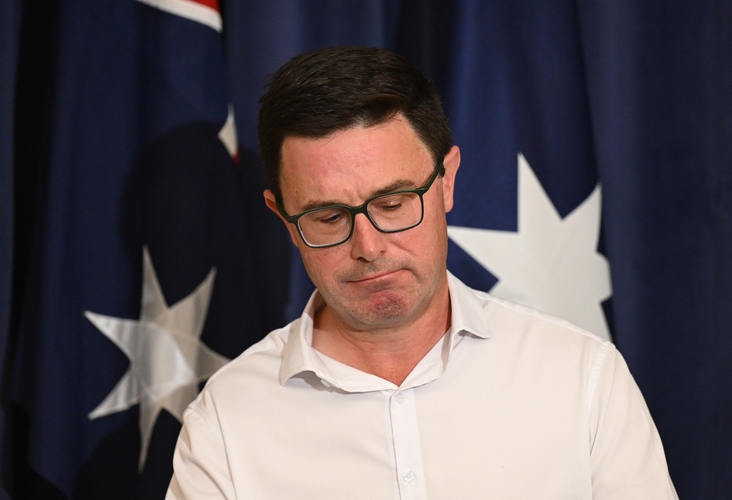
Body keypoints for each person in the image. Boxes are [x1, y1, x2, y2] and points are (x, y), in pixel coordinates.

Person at [166, 46, 677, 499]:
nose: (368, 247)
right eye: (329, 217)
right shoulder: (226, 424)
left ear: (447, 181)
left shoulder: (582, 378)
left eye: (393, 204)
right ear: (284, 220)